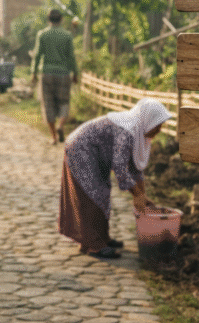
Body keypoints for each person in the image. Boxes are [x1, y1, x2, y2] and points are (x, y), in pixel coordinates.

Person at [58, 99, 172, 259]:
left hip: (94, 153)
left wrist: (142, 196)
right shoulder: (126, 131)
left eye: (161, 125)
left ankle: (102, 238)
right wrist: (137, 195)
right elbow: (120, 166)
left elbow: (135, 168)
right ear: (147, 120)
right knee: (93, 194)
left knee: (102, 193)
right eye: (157, 125)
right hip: (81, 148)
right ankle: (94, 245)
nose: (159, 129)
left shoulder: (139, 134)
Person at [31, 8, 79, 145]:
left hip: (47, 74)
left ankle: (53, 137)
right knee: (64, 102)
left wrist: (33, 72)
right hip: (64, 74)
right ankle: (61, 125)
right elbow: (71, 57)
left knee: (48, 104)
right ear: (61, 19)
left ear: (48, 20)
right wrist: (75, 73)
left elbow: (37, 55)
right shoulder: (67, 35)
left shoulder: (42, 35)